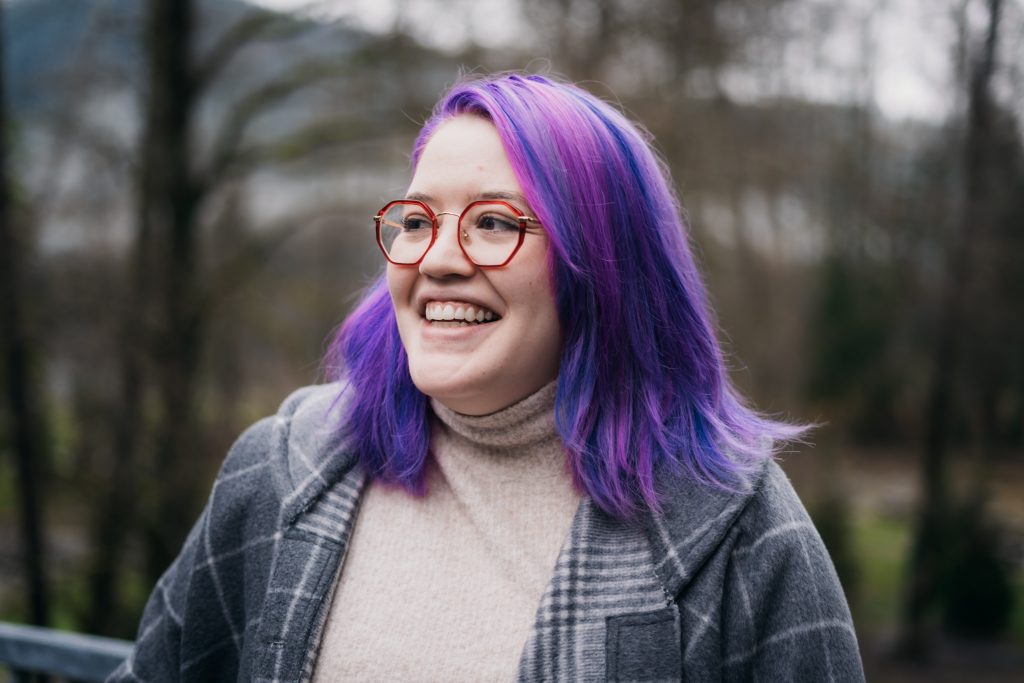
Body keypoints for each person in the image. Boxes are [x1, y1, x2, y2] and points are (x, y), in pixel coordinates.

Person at [110, 73, 864, 682]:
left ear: (602, 266)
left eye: (495, 223)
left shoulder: (742, 535)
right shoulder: (284, 467)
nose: (438, 258)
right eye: (417, 221)